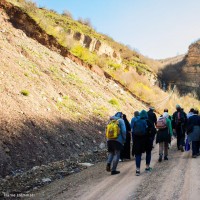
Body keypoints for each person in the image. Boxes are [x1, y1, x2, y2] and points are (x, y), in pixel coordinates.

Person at [132, 110, 153, 176]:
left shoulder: (136, 121)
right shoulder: (148, 122)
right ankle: (147, 168)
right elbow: (153, 132)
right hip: (147, 141)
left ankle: (137, 170)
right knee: (148, 153)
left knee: (138, 155)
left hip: (138, 141)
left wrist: (134, 142)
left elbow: (133, 133)